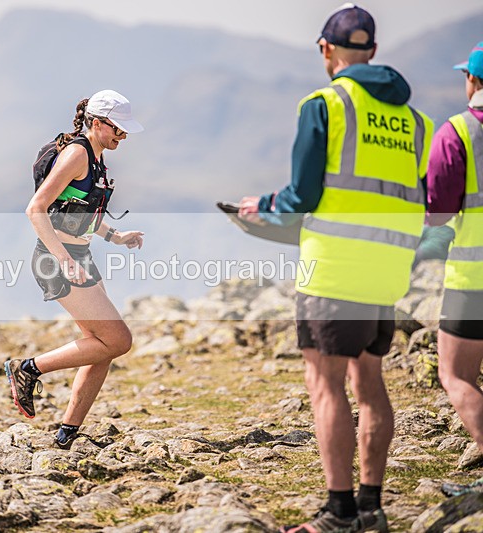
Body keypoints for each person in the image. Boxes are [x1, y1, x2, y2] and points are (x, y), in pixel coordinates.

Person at [238, 4, 433, 532]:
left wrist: (260, 209)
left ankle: (337, 512)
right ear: (372, 52)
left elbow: (303, 194)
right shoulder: (417, 122)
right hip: (388, 269)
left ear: (326, 50)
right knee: (371, 382)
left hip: (335, 267)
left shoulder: (325, 103)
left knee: (325, 384)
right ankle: (370, 507)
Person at [5, 90, 144, 449]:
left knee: (103, 346)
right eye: (118, 130)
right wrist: (64, 259)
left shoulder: (96, 158)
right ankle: (28, 368)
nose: (122, 137)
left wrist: (116, 236)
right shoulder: (77, 154)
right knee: (118, 340)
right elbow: (36, 209)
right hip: (58, 259)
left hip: (79, 257)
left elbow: (77, 214)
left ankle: (67, 435)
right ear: (97, 123)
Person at [424, 42, 483, 498]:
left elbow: (438, 214)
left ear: (473, 80)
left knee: (457, 376)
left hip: (473, 279)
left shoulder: (458, 132)